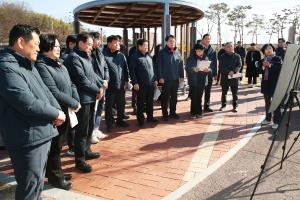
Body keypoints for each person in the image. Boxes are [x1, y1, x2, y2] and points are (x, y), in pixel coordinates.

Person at [0, 24, 66, 200]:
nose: (39, 47)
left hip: (40, 134)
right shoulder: (6, 68)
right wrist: (55, 114)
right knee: (29, 187)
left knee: (37, 183)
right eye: (36, 43)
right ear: (21, 42)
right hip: (27, 138)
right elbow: (26, 102)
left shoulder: (28, 64)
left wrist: (56, 110)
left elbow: (45, 92)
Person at [35, 33, 81, 190]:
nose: (59, 49)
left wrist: (75, 100)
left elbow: (71, 84)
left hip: (66, 109)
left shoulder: (60, 63)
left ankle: (56, 172)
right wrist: (73, 102)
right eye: (55, 46)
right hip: (55, 112)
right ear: (46, 48)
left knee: (60, 144)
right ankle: (55, 177)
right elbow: (53, 91)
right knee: (55, 146)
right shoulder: (42, 66)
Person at [64, 32, 103, 173]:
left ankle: (87, 151)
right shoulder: (73, 58)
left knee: (89, 126)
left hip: (91, 97)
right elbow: (81, 79)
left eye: (92, 45)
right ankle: (79, 160)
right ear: (80, 43)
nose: (91, 48)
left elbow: (92, 75)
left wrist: (101, 83)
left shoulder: (87, 56)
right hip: (82, 98)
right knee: (81, 130)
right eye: (89, 44)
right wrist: (97, 89)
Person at [103, 35, 130, 132]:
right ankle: (109, 123)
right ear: (109, 44)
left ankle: (120, 120)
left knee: (121, 103)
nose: (118, 44)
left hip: (121, 84)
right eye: (115, 42)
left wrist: (127, 80)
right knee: (109, 105)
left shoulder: (121, 55)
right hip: (110, 85)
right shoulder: (103, 55)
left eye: (118, 42)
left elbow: (125, 69)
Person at [129, 39, 159, 126]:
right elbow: (132, 71)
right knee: (140, 102)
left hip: (151, 83)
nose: (147, 47)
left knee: (150, 102)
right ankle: (140, 119)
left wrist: (155, 79)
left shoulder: (149, 56)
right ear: (139, 46)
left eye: (147, 45)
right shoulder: (134, 57)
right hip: (140, 84)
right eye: (145, 45)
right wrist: (135, 83)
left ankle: (150, 117)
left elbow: (153, 69)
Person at [156, 35, 184, 121]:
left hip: (175, 79)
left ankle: (173, 112)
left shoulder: (177, 52)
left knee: (174, 97)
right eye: (170, 41)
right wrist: (160, 77)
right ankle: (165, 114)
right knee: (165, 97)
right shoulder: (161, 52)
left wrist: (181, 77)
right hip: (166, 79)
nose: (172, 43)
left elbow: (181, 65)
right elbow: (158, 66)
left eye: (174, 41)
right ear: (166, 42)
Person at [90, 32, 109, 144]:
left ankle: (96, 129)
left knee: (100, 109)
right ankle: (91, 132)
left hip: (103, 85)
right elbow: (91, 72)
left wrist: (106, 79)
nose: (100, 42)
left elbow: (105, 67)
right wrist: (101, 82)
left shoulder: (100, 53)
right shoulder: (89, 54)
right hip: (95, 86)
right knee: (94, 110)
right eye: (98, 39)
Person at [258, 43, 282, 129]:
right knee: (267, 103)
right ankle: (268, 119)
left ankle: (276, 121)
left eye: (270, 48)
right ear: (264, 51)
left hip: (275, 84)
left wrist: (270, 65)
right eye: (266, 48)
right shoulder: (262, 60)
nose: (268, 50)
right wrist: (263, 67)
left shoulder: (278, 59)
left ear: (273, 50)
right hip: (266, 84)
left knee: (276, 103)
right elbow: (259, 71)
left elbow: (279, 69)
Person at [61, 34, 77, 156]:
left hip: (73, 92)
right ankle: (72, 146)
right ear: (70, 44)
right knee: (70, 123)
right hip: (67, 94)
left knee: (73, 122)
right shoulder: (66, 57)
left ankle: (72, 145)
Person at [185, 44, 209, 118]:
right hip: (194, 80)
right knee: (194, 97)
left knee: (199, 97)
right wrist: (193, 69)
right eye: (198, 51)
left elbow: (210, 68)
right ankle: (193, 112)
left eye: (201, 51)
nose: (200, 52)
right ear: (195, 50)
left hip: (202, 80)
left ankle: (199, 112)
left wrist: (207, 70)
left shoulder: (206, 57)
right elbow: (187, 68)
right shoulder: (191, 58)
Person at [219, 42, 242, 112]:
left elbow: (239, 65)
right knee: (224, 93)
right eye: (228, 46)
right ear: (225, 48)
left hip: (234, 77)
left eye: (231, 46)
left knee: (235, 93)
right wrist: (229, 71)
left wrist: (234, 71)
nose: (230, 47)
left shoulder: (237, 56)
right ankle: (223, 105)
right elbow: (221, 67)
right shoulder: (222, 56)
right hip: (225, 77)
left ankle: (235, 106)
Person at [201, 34, 217, 112]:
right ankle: (197, 107)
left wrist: (215, 74)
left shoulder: (213, 50)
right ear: (203, 39)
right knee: (199, 91)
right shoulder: (197, 48)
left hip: (209, 73)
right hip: (199, 74)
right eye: (206, 39)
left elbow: (214, 63)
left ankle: (207, 106)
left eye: (209, 39)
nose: (207, 40)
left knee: (208, 91)